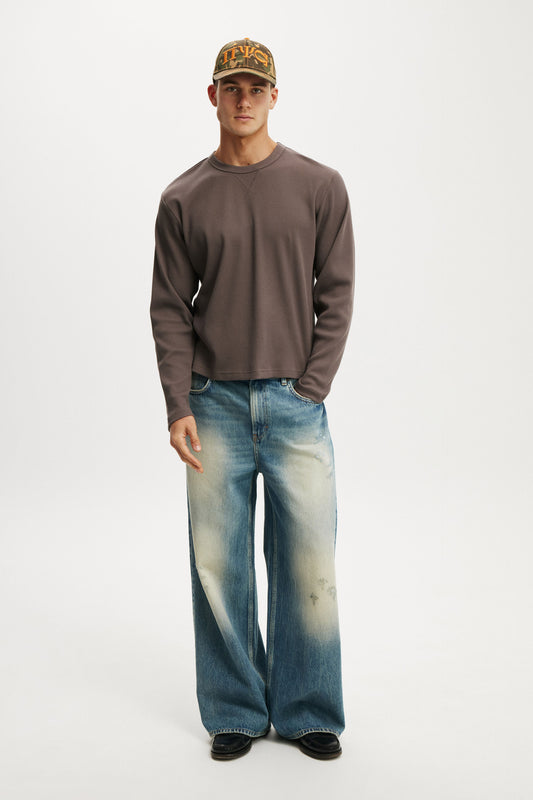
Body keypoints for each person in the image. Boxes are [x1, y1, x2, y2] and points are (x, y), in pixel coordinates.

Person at [149, 37, 355, 761]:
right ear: (212, 96)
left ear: (274, 96)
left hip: (295, 405)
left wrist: (312, 385)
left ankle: (308, 709)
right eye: (231, 87)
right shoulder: (183, 198)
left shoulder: (320, 186)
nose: (243, 100)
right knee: (218, 565)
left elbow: (337, 293)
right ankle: (235, 709)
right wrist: (179, 403)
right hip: (212, 406)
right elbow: (169, 307)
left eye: (255, 88)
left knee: (308, 561)